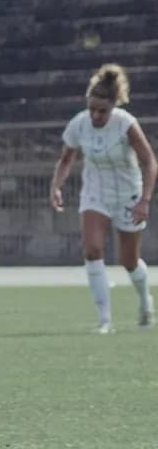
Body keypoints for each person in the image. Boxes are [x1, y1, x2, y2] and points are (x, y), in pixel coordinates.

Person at [50, 63, 155, 333]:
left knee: (129, 261)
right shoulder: (79, 124)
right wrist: (56, 186)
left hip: (128, 194)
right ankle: (104, 320)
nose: (96, 115)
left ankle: (145, 300)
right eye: (92, 109)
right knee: (92, 250)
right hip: (95, 193)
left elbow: (149, 162)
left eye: (102, 111)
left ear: (113, 106)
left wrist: (144, 200)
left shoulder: (126, 124)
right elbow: (66, 159)